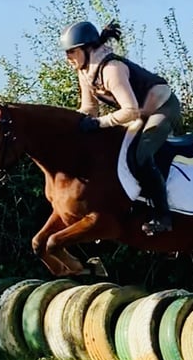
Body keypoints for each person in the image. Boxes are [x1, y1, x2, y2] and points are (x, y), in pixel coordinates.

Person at [59, 20, 182, 236]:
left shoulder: (112, 69)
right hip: (139, 112)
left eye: (72, 52)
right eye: (67, 53)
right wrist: (73, 127)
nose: (68, 58)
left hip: (162, 108)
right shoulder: (85, 72)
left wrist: (99, 123)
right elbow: (89, 107)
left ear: (88, 49)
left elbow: (130, 111)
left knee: (141, 155)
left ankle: (164, 216)